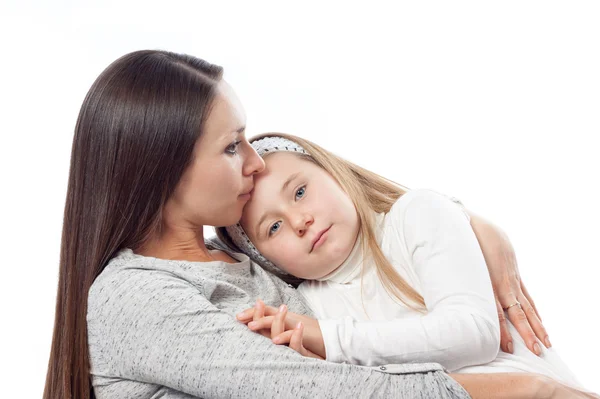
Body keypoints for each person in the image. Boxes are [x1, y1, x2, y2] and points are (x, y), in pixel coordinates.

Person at [42, 49, 598, 399]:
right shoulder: (134, 297)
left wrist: (469, 224)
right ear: (165, 170)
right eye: (232, 146)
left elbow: (360, 251)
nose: (255, 163)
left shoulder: (251, 262)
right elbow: (316, 388)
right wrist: (524, 389)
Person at [222, 134, 587, 391]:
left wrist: (331, 341)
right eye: (273, 227)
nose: (300, 222)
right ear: (261, 256)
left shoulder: (415, 214)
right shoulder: (313, 306)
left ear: (333, 173)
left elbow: (475, 334)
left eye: (300, 192)